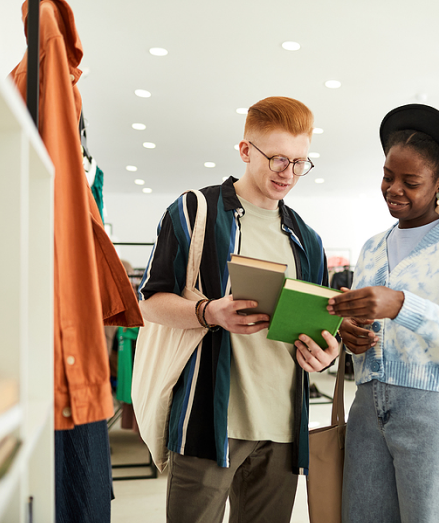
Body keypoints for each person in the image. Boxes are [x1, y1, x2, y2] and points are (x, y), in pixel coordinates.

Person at [138, 96, 340, 523]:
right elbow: (150, 303)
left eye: (301, 162)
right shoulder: (196, 211)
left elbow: (322, 326)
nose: (289, 174)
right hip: (208, 423)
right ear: (246, 150)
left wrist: (326, 353)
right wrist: (210, 312)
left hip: (283, 432)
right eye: (278, 159)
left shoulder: (309, 239)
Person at [328, 104, 439, 523]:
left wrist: (401, 305)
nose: (393, 189)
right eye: (387, 176)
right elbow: (366, 329)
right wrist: (351, 334)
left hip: (437, 412)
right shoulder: (370, 247)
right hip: (367, 407)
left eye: (411, 181)